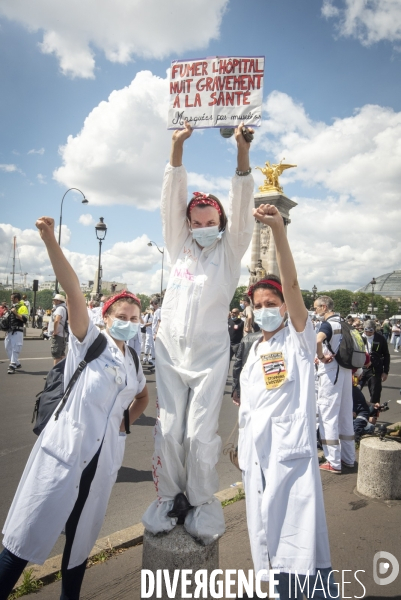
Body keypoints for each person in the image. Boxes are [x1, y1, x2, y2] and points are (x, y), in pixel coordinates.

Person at [0, 216, 149, 600]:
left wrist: (123, 425)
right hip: (64, 453)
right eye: (122, 317)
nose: (129, 323)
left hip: (103, 462)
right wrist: (50, 240)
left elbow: (143, 397)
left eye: (135, 319)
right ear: (107, 317)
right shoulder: (90, 340)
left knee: (81, 541)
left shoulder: (133, 359)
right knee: (24, 537)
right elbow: (72, 290)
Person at [142, 121, 254, 544]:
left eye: (211, 220)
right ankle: (169, 498)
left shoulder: (230, 251)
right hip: (170, 350)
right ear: (188, 224)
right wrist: (176, 150)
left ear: (220, 222)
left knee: (198, 433)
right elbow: (169, 203)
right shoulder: (179, 247)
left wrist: (242, 153)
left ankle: (204, 502)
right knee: (169, 429)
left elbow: (243, 211)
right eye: (196, 220)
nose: (202, 226)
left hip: (209, 355)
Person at [238, 204, 338, 599]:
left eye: (271, 304)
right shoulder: (253, 350)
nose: (264, 310)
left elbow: (293, 285)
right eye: (257, 305)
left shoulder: (296, 338)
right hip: (257, 459)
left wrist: (279, 232)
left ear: (284, 308)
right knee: (264, 540)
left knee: (296, 543)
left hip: (288, 456)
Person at [314, 295, 355, 474]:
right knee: (345, 415)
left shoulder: (328, 324)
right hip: (346, 370)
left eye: (316, 308)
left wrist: (322, 357)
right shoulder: (345, 322)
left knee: (327, 415)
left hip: (332, 372)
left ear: (324, 307)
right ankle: (348, 457)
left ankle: (333, 461)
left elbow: (317, 340)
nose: (315, 311)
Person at [359, 319, 390, 406]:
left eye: (370, 331)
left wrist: (385, 371)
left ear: (374, 329)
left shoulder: (380, 339)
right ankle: (354, 412)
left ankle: (373, 414)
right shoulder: (358, 337)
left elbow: (386, 355)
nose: (368, 333)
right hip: (359, 369)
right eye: (366, 330)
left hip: (375, 370)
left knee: (375, 393)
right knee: (354, 391)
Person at [231, 330, 260, 406]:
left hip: (248, 387)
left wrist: (236, 388)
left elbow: (238, 365)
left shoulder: (248, 338)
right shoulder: (287, 339)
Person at [4, 293, 28, 374]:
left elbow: (24, 319)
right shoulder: (13, 307)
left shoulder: (23, 307)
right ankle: (16, 363)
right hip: (10, 331)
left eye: (12, 298)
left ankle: (12, 365)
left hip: (17, 330)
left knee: (16, 348)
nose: (11, 299)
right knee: (7, 347)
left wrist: (15, 313)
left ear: (16, 299)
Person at [49, 293, 68, 365]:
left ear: (59, 301)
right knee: (61, 354)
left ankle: (55, 374)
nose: (53, 301)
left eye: (55, 300)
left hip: (58, 334)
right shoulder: (63, 308)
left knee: (56, 354)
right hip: (62, 334)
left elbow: (57, 320)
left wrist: (55, 331)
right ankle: (61, 373)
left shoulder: (59, 309)